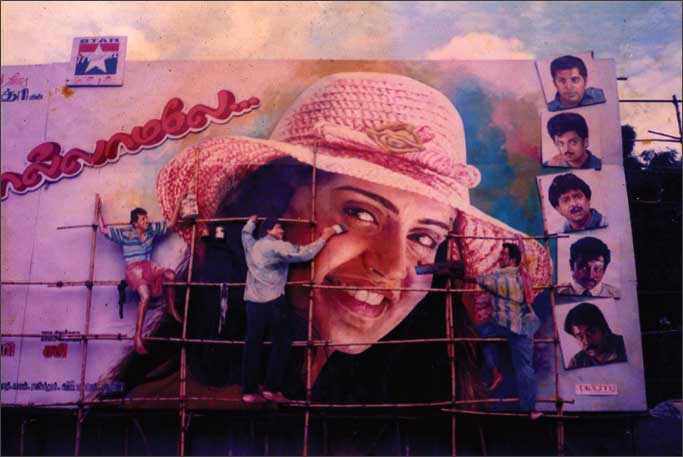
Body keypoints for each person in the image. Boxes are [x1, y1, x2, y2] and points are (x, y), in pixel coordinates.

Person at [104, 72, 552, 406]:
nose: (392, 267)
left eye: (424, 236)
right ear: (273, 208)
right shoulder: (190, 405)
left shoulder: (383, 393)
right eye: (361, 213)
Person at [240, 215, 343, 403]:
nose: (282, 231)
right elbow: (305, 254)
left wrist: (250, 223)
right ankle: (271, 388)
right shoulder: (276, 246)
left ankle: (249, 392)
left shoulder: (252, 245)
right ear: (268, 230)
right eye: (278, 228)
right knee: (281, 343)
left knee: (253, 345)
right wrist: (325, 236)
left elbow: (245, 234)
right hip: (273, 301)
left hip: (252, 302)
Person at [96, 195, 184, 354]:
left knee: (171, 275)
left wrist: (178, 203)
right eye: (143, 219)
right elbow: (103, 229)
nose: (146, 221)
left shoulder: (151, 230)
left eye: (146, 218)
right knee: (145, 295)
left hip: (147, 266)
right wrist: (98, 210)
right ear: (135, 223)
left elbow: (170, 224)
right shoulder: (125, 233)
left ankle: (171, 308)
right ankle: (137, 337)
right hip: (133, 269)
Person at [474, 240, 543, 420]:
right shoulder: (523, 276)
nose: (500, 257)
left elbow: (482, 280)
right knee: (525, 367)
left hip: (505, 325)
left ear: (512, 260)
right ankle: (530, 409)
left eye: (504, 254)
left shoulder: (502, 277)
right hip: (524, 326)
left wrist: (463, 273)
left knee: (480, 332)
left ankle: (495, 371)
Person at [563, 302, 627, 369]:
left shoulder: (627, 347)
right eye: (580, 336)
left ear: (604, 329)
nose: (587, 341)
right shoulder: (577, 363)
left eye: (591, 332)